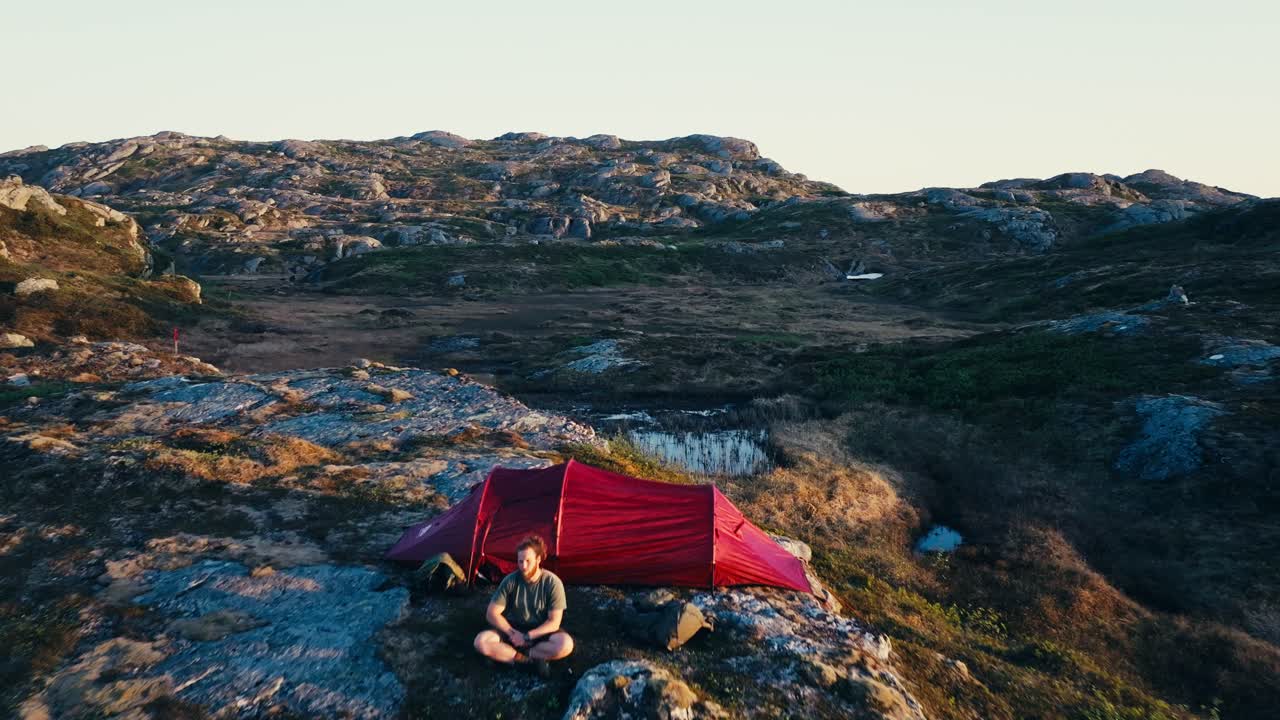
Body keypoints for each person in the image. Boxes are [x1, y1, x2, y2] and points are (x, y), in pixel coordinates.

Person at [472, 534, 574, 678]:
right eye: (520, 561)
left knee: (565, 644)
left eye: (528, 561)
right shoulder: (510, 581)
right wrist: (513, 634)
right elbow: (491, 613)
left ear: (538, 560)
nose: (523, 566)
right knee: (480, 642)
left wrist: (527, 637)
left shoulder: (552, 583)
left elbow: (554, 622)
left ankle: (511, 656)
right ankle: (526, 663)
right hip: (513, 629)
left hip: (540, 631)